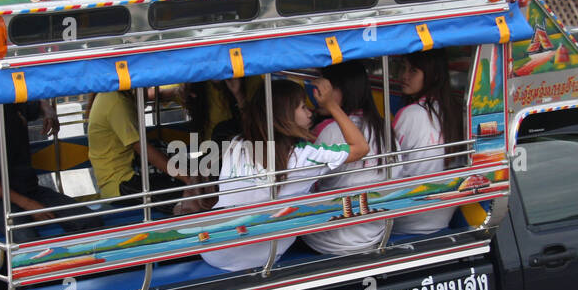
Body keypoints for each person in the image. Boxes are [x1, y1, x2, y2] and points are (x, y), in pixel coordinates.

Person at [202, 78, 369, 272]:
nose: (310, 112)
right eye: (302, 107)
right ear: (285, 115)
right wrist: (331, 105)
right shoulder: (305, 156)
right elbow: (360, 147)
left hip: (214, 250)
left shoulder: (237, 145)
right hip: (260, 256)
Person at [0, 82, 100, 243]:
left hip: (29, 189)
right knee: (28, 242)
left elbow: (37, 103)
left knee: (89, 221)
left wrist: (48, 111)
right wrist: (28, 204)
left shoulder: (15, 103)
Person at [302, 61, 388, 256]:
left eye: (323, 89)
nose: (316, 96)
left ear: (340, 91)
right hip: (375, 234)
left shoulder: (327, 131)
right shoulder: (383, 128)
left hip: (332, 240)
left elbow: (306, 185)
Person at [87, 89, 200, 212]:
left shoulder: (118, 96)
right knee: (187, 201)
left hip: (132, 175)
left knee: (183, 187)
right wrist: (187, 177)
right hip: (122, 184)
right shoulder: (115, 102)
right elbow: (144, 150)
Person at [391, 50, 464, 234]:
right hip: (442, 215)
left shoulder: (411, 114)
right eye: (403, 68)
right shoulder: (455, 112)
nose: (404, 76)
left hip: (407, 217)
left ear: (433, 75)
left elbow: (388, 167)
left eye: (413, 71)